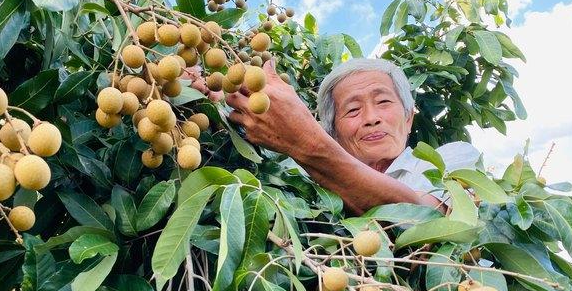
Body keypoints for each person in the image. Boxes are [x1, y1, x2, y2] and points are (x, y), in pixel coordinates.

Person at [194, 58, 480, 215]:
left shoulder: (450, 160)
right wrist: (208, 102)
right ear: (333, 132)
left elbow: (428, 223)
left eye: (383, 102)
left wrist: (305, 142)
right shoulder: (298, 176)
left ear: (408, 119)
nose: (371, 118)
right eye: (353, 110)